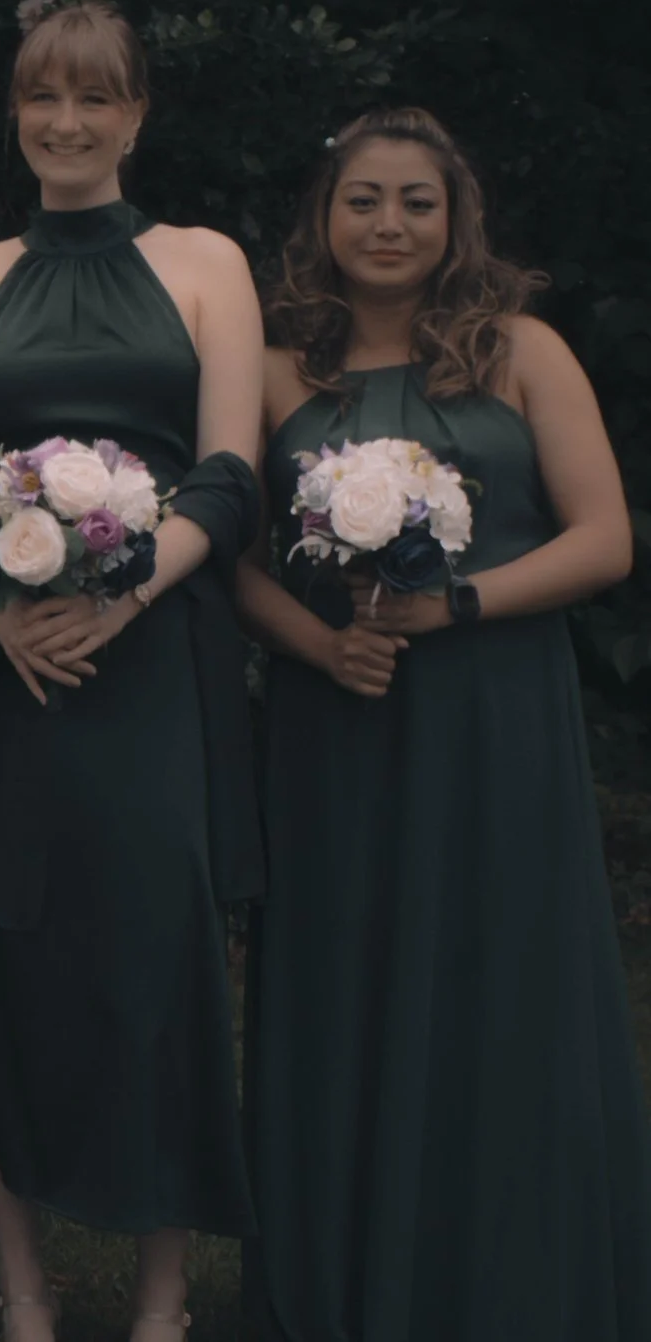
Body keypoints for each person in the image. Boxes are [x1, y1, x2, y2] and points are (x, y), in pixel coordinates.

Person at [0, 0, 264, 1342]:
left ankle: (164, 1298)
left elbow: (227, 471)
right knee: (11, 956)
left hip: (157, 660)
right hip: (8, 665)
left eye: (95, 98)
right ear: (18, 112)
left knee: (162, 959)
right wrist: (6, 612)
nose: (67, 122)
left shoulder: (208, 263)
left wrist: (127, 596)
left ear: (136, 115)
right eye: (44, 97)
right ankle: (23, 1287)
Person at [238, 106, 651, 1341]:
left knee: (498, 982)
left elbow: (604, 539)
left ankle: (511, 1284)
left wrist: (453, 603)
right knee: (345, 984)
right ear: (324, 217)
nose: (387, 223)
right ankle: (344, 1284)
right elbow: (231, 557)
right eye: (362, 198)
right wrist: (321, 641)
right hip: (340, 720)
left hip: (493, 722)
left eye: (415, 200)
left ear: (454, 218)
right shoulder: (275, 371)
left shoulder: (519, 350)